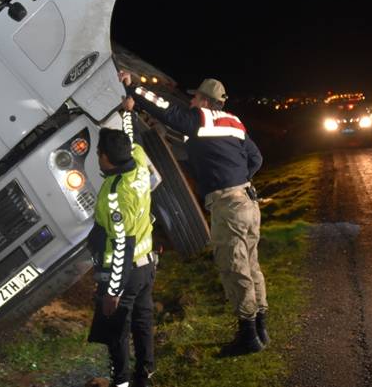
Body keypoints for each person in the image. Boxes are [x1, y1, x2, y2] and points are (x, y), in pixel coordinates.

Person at [120, 74, 267, 356]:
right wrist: (237, 179)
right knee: (251, 264)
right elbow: (256, 158)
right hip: (248, 201)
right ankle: (261, 328)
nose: (191, 101)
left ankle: (248, 335)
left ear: (206, 102)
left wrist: (132, 87)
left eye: (195, 97)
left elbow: (163, 108)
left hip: (229, 205)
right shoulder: (233, 123)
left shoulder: (200, 119)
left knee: (234, 267)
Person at [87, 128, 157, 387]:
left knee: (117, 331)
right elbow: (133, 138)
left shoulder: (115, 196)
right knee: (143, 321)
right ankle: (145, 376)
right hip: (147, 266)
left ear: (105, 158)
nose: (97, 157)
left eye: (98, 153)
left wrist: (113, 292)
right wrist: (127, 112)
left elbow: (122, 248)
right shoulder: (138, 162)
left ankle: (121, 382)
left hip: (126, 274)